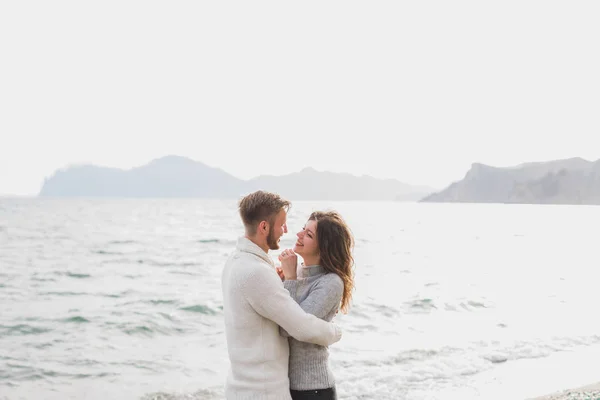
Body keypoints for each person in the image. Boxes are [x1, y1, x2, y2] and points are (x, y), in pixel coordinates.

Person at [221, 191, 342, 400]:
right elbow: (300, 327)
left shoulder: (235, 261)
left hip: (242, 388)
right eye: (282, 224)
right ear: (264, 227)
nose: (287, 231)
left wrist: (283, 281)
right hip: (263, 391)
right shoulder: (257, 272)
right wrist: (334, 332)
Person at [278, 211, 355, 400]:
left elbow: (292, 327)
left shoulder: (331, 282)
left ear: (323, 248)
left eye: (309, 234)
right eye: (303, 229)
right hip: (284, 386)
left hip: (313, 390)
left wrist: (289, 280)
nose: (299, 235)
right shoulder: (296, 273)